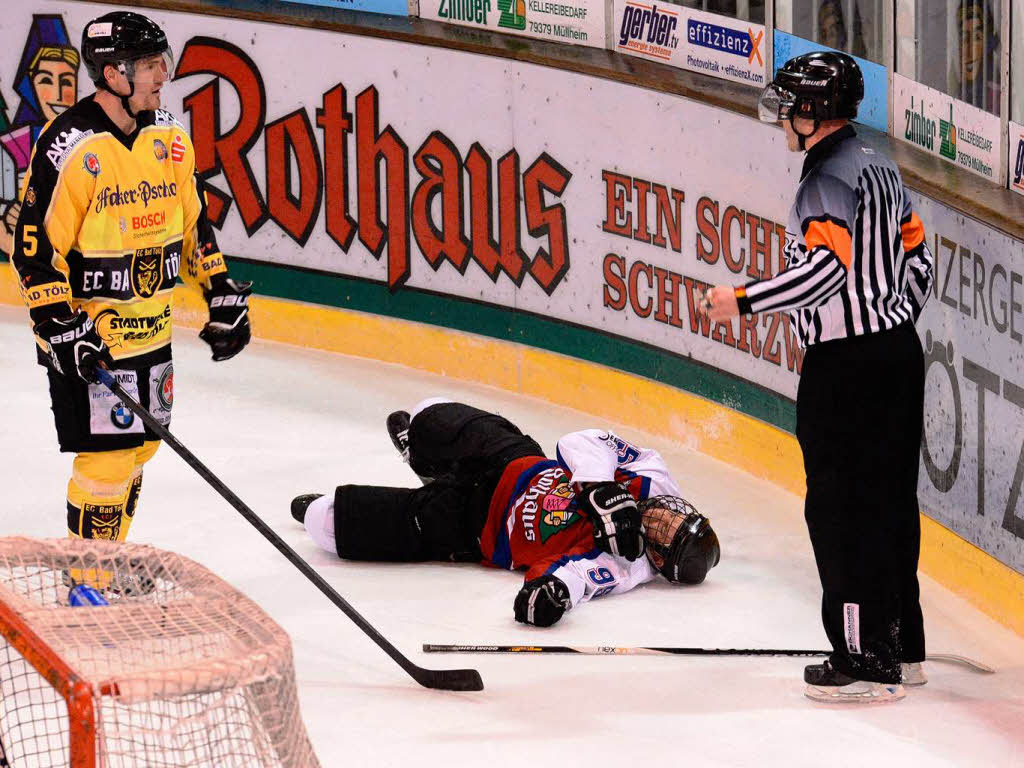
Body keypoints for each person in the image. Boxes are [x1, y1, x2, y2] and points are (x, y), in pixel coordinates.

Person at [701, 51, 934, 704]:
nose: (782, 118)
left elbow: (826, 270)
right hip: (896, 355)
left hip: (847, 371)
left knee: (840, 510)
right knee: (890, 503)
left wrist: (739, 301)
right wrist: (891, 316)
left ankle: (863, 659)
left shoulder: (824, 180)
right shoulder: (880, 165)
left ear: (814, 112)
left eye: (791, 106)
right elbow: (917, 254)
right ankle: (902, 645)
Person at [11, 12, 252, 588]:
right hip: (91, 337)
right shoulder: (69, 144)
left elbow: (194, 224)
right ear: (112, 73)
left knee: (142, 450)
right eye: (148, 65)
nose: (162, 75)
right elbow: (33, 251)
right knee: (106, 463)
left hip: (153, 329)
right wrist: (62, 326)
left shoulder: (169, 130)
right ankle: (86, 584)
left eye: (158, 61)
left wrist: (218, 289)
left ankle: (109, 565)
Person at [290, 398, 720, 626]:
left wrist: (551, 596)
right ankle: (422, 458)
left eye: (667, 533)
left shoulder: (626, 566)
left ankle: (436, 486)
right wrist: (601, 488)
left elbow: (577, 578)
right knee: (428, 413)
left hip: (474, 525)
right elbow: (581, 441)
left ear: (659, 560)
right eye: (676, 515)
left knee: (323, 519)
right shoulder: (654, 477)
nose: (663, 517)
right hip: (511, 460)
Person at [948, 0, 1000, 115]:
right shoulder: (956, 92)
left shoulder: (997, 97)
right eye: (964, 38)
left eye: (977, 37)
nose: (969, 52)